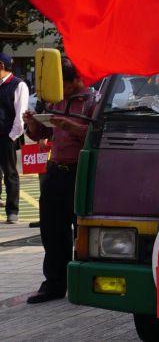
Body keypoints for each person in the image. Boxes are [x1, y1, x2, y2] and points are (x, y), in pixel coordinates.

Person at [22, 58, 96, 303]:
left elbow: (99, 134)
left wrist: (72, 127)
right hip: (56, 169)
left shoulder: (93, 101)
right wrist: (32, 123)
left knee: (82, 229)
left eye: (64, 86)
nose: (61, 92)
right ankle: (54, 283)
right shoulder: (55, 99)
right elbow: (41, 133)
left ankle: (84, 282)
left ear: (76, 80)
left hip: (82, 171)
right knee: (52, 229)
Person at [0, 53, 29, 224]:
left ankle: (12, 210)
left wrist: (11, 137)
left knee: (10, 174)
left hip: (8, 136)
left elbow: (20, 116)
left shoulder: (19, 85)